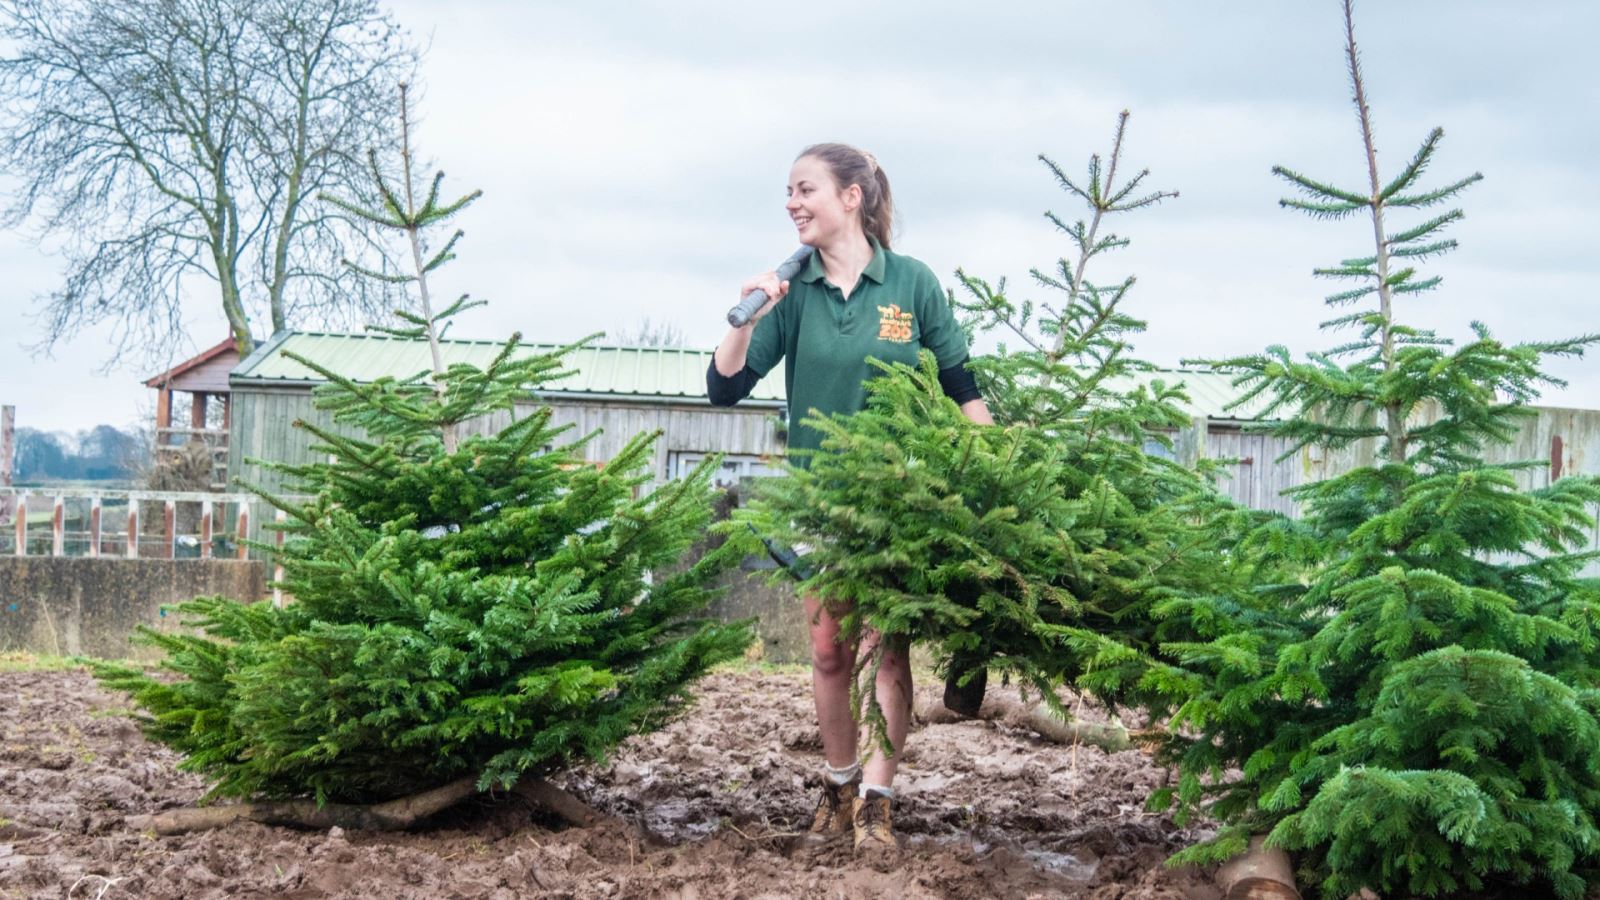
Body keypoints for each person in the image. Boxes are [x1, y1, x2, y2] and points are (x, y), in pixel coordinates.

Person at [707, 143, 993, 855]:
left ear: (852, 198)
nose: (792, 203)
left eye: (805, 189)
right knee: (831, 651)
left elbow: (962, 387)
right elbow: (724, 386)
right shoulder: (793, 292)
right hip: (820, 505)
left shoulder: (911, 285)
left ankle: (878, 801)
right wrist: (744, 315)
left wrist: (997, 472)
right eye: (789, 191)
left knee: (885, 652)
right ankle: (837, 788)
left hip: (894, 500)